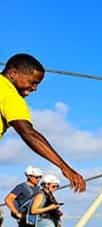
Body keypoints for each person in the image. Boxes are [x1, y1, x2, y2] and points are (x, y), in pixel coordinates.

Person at [1, 53, 85, 192]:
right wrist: (65, 168)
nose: (34, 88)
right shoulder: (10, 95)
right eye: (32, 82)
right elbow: (28, 133)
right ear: (13, 74)